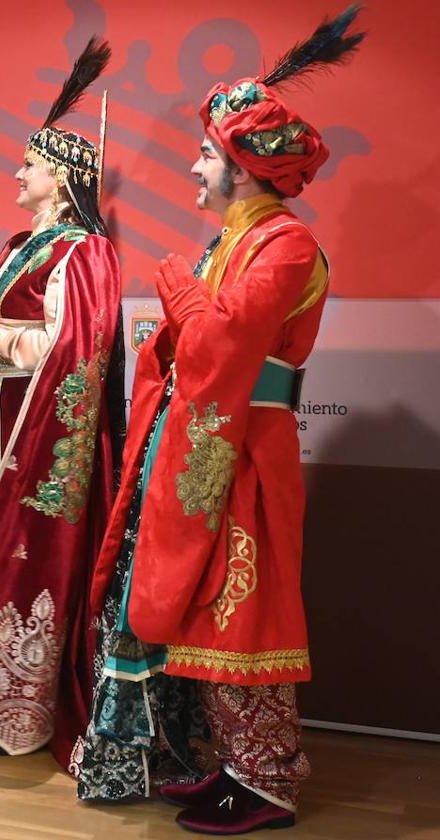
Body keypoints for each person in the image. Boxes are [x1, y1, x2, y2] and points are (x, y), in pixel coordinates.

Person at [73, 8, 365, 834]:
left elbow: (223, 347)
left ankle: (268, 781)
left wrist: (173, 282)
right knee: (208, 609)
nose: (194, 169)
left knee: (247, 610)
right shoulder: (230, 245)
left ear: (242, 167)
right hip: (205, 445)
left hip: (249, 452)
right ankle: (231, 765)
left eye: (206, 154)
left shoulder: (286, 245)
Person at [0, 38, 125, 769]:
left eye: (31, 165)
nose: (18, 171)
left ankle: (31, 699)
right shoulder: (23, 244)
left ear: (63, 180)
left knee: (24, 555)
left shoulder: (83, 253)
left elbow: (78, 346)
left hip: (34, 427)